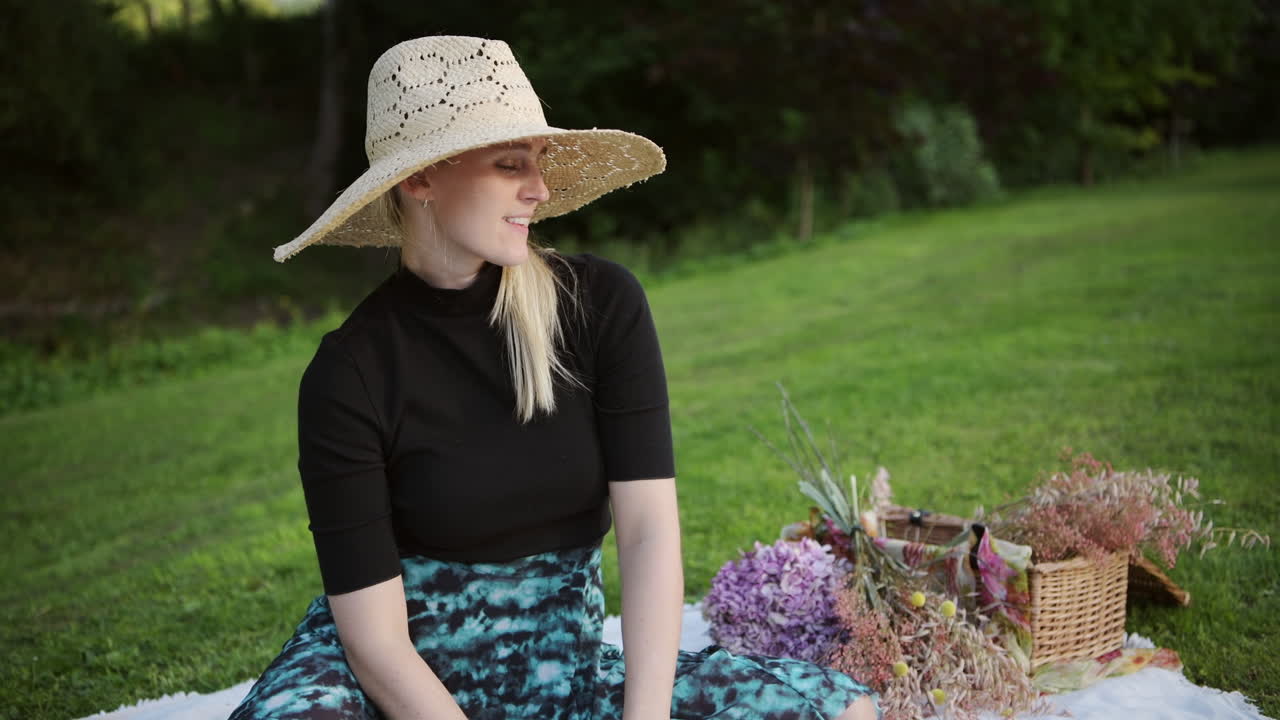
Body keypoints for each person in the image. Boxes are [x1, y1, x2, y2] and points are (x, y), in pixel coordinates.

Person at [231, 36, 879, 720]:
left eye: (538, 163)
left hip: (560, 670)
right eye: (510, 164)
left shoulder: (601, 306)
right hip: (392, 689)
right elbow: (375, 643)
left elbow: (649, 533)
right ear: (419, 178)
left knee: (838, 713)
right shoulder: (351, 371)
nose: (538, 189)